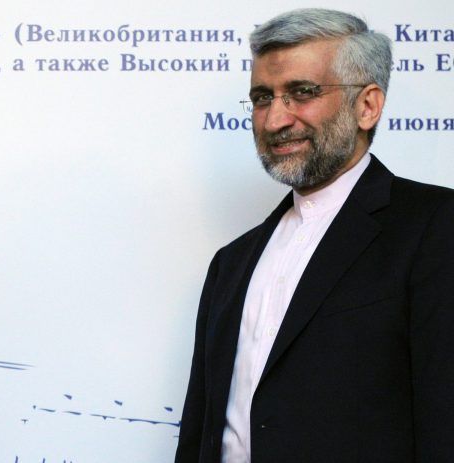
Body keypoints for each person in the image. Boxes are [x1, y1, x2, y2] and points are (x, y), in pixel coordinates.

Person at [176, 8, 454, 463]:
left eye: (302, 93)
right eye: (263, 98)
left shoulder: (436, 227)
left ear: (367, 106)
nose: (274, 121)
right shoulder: (231, 263)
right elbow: (202, 432)